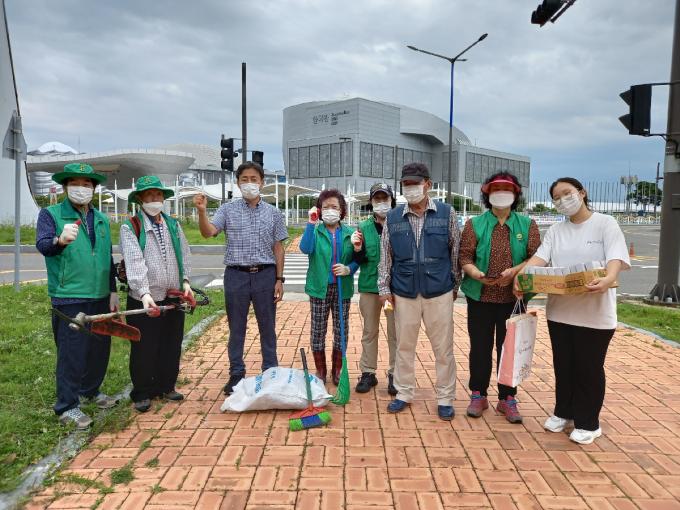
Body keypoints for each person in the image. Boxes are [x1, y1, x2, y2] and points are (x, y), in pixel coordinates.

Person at [514, 177, 630, 445]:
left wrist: (608, 278)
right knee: (564, 366)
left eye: (567, 193)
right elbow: (540, 258)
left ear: (582, 193)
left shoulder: (605, 224)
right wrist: (523, 275)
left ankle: (589, 423)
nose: (562, 201)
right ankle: (563, 412)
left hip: (595, 314)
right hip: (560, 313)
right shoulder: (556, 230)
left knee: (588, 368)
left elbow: (616, 257)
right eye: (556, 198)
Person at [35, 163, 120, 429]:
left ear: (93, 188)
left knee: (98, 348)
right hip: (69, 295)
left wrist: (113, 290)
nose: (81, 188)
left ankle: (90, 391)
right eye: (75, 183)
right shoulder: (51, 214)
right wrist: (59, 241)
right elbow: (43, 245)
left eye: (86, 184)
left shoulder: (102, 218)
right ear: (65, 187)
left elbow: (106, 256)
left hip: (100, 294)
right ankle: (67, 406)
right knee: (72, 352)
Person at [194, 161, 288, 395]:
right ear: (237, 183)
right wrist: (202, 212)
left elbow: (278, 247)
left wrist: (279, 279)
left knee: (267, 326)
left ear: (262, 183)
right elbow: (208, 232)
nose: (249, 183)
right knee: (237, 327)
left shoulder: (273, 213)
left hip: (265, 275)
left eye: (254, 179)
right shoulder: (227, 210)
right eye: (244, 179)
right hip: (236, 275)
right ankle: (236, 373)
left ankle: (270, 370)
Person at [378, 163, 461, 421]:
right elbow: (385, 255)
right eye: (406, 184)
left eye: (415, 183)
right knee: (404, 345)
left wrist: (454, 285)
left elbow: (455, 251)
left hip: (439, 290)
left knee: (443, 348)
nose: (410, 188)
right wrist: (384, 287)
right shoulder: (393, 217)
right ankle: (403, 392)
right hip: (404, 291)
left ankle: (445, 398)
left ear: (428, 184)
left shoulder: (446, 213)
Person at [459, 172, 541, 423]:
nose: (501, 194)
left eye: (507, 189)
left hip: (513, 297)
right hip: (480, 296)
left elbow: (536, 257)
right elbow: (464, 257)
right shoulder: (474, 224)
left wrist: (515, 271)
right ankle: (478, 394)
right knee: (480, 347)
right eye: (495, 190)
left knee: (510, 348)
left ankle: (508, 398)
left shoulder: (527, 225)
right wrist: (476, 274)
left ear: (516, 194)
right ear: (487, 194)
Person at [120, 175, 193, 413]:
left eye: (158, 194)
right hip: (145, 298)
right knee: (144, 346)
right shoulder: (131, 226)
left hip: (173, 296)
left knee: (171, 343)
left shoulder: (173, 225)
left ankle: (166, 385)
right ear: (140, 199)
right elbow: (134, 261)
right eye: (149, 195)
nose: (155, 199)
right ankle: (142, 392)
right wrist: (143, 292)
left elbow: (184, 253)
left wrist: (185, 281)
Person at [299, 189, 358, 385]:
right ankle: (321, 370)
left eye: (334, 207)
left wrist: (348, 269)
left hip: (342, 288)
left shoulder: (350, 233)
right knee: (318, 330)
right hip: (319, 289)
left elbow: (358, 258)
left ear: (342, 211)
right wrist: (311, 223)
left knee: (341, 330)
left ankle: (337, 369)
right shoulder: (315, 231)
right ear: (319, 210)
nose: (330, 210)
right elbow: (305, 248)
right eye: (325, 207)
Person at [352, 182, 398, 395]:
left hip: (392, 291)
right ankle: (368, 372)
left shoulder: (399, 224)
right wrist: (357, 249)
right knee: (369, 331)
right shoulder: (363, 227)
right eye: (377, 199)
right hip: (370, 288)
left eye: (384, 198)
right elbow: (359, 259)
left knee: (394, 332)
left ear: (391, 200)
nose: (381, 202)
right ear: (371, 202)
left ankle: (395, 373)